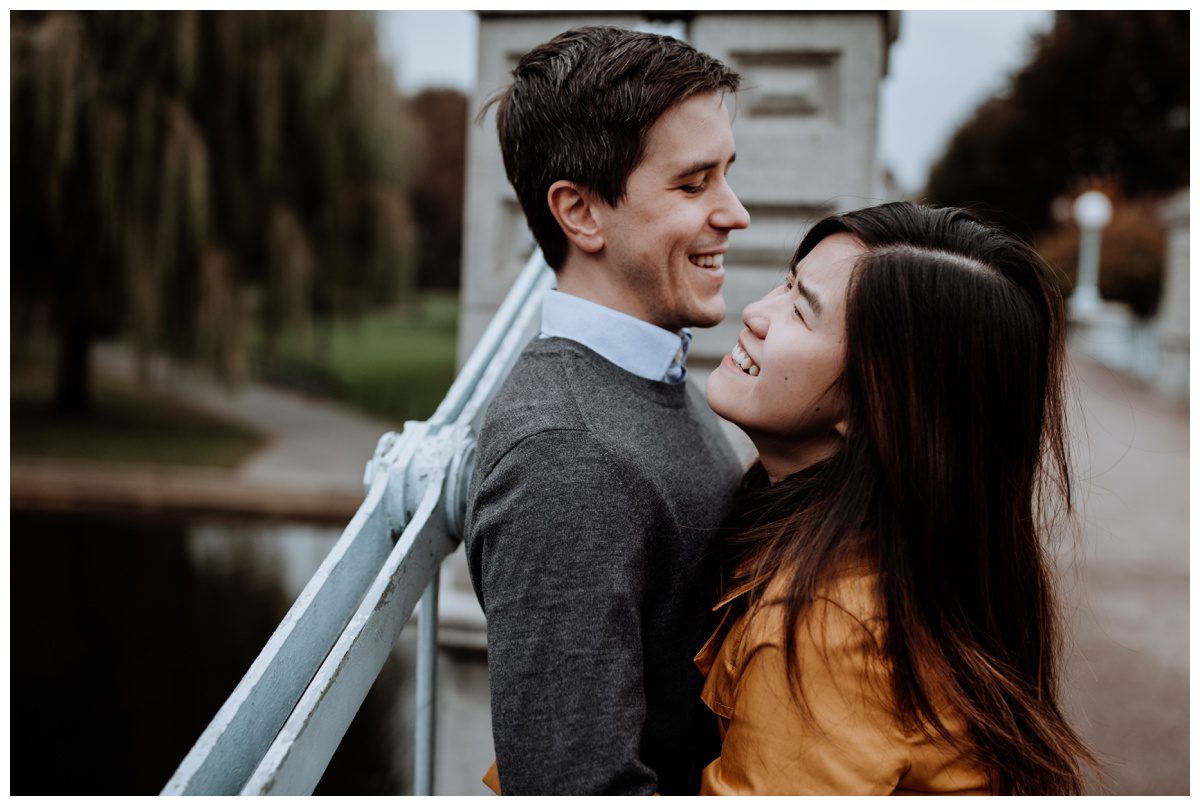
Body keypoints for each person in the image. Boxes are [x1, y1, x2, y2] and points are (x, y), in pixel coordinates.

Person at [698, 202, 1097, 795]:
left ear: (878, 407)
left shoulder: (826, 632)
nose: (756, 312)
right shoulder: (904, 564)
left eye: (802, 313)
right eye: (787, 282)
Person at [463, 26, 750, 795]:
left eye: (726, 175)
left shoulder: (650, 367)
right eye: (694, 185)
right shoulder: (567, 459)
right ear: (581, 213)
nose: (736, 213)